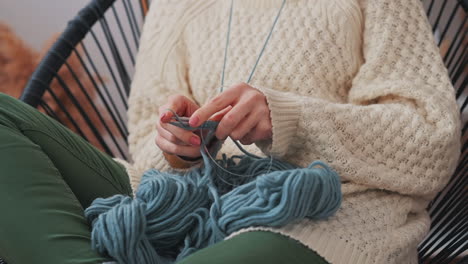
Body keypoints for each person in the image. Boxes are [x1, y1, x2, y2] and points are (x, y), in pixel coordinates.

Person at [0, 0, 461, 263]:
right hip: (182, 201)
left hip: (329, 213)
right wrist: (175, 145)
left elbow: (430, 139)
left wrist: (290, 120)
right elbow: (146, 138)